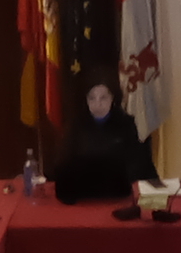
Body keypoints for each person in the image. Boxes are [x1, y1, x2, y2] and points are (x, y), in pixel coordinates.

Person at [49, 74, 158, 208]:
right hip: (82, 200)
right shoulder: (75, 125)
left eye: (103, 98)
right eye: (92, 98)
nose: (97, 104)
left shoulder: (126, 124)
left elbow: (139, 165)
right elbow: (62, 164)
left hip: (119, 199)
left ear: (113, 98)